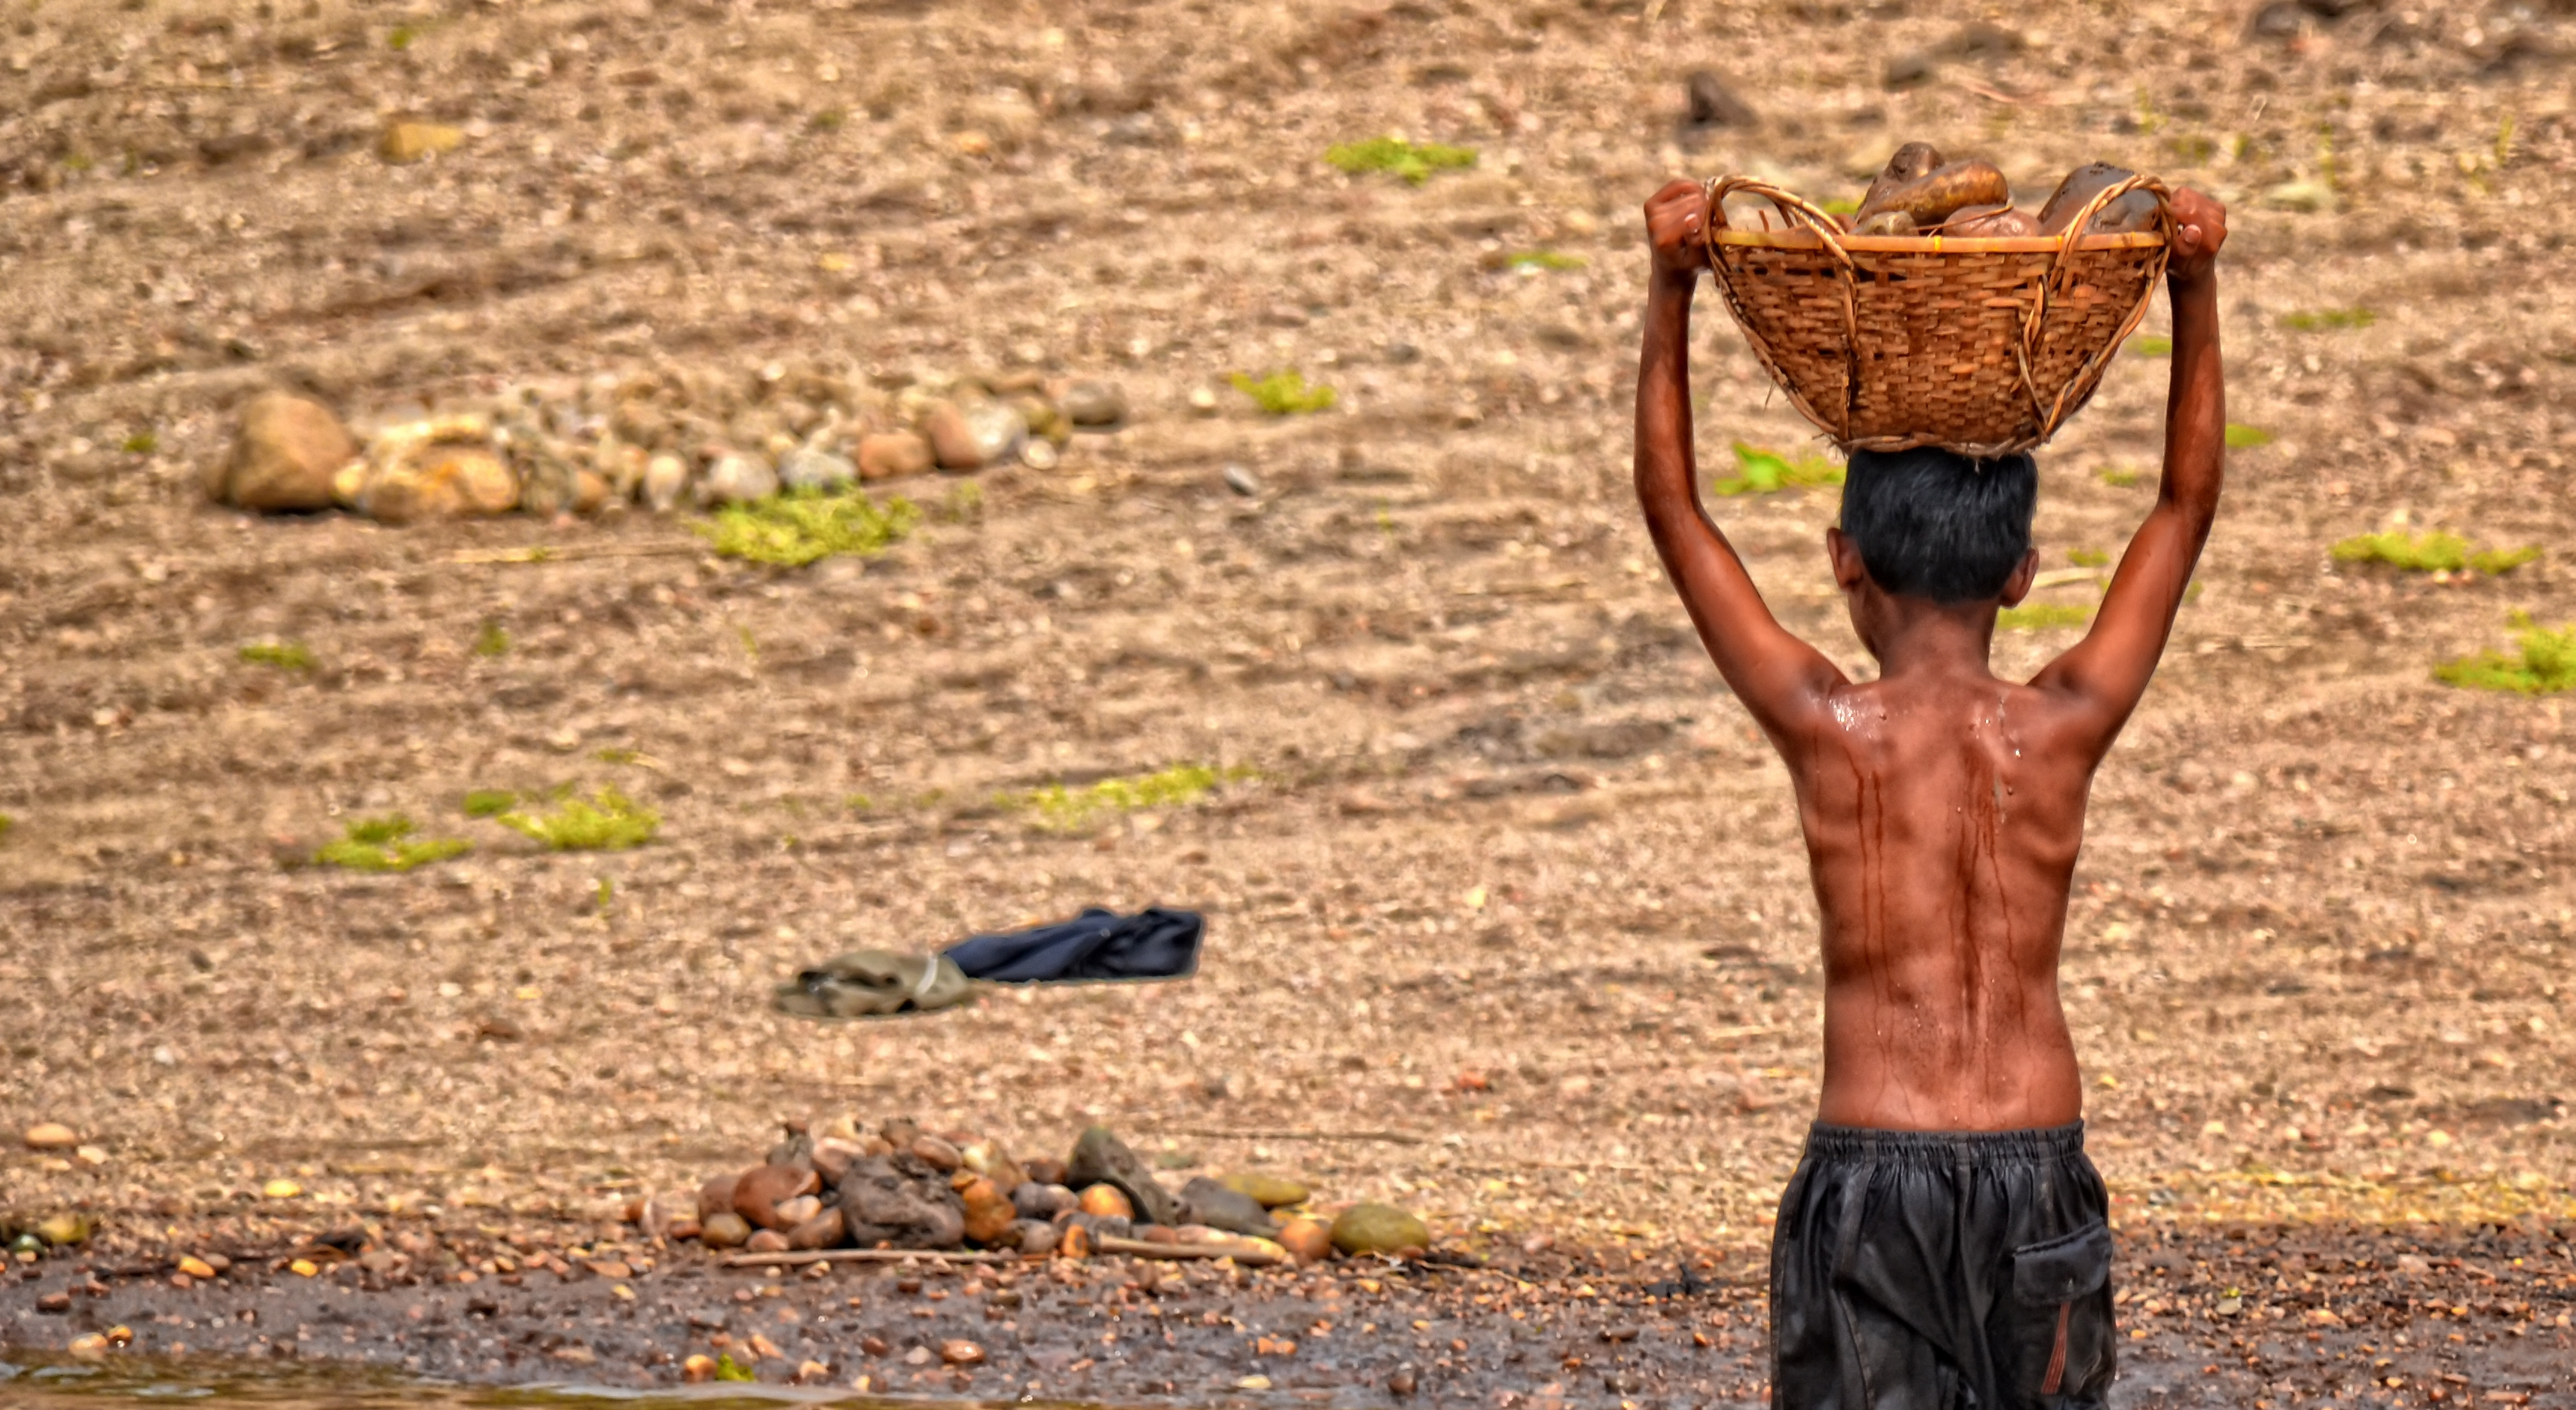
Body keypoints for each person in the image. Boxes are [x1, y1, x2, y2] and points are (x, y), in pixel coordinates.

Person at [1631, 178, 2230, 1408]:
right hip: (2036, 1167)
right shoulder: (2062, 726)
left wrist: (1672, 287)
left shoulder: (1828, 728)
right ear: (2021, 574)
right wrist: (2194, 286)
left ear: (1844, 563)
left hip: (1871, 1174)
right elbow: (2183, 507)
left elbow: (1675, 507)